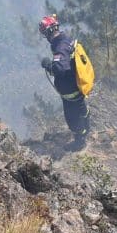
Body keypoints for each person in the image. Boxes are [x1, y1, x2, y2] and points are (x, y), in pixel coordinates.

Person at [39, 15, 90, 150]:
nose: (46, 37)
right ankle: (87, 127)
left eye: (45, 34)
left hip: (70, 91)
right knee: (82, 108)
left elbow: (60, 69)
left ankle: (80, 142)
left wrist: (48, 65)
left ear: (49, 32)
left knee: (72, 120)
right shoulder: (67, 39)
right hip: (77, 86)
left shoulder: (60, 47)